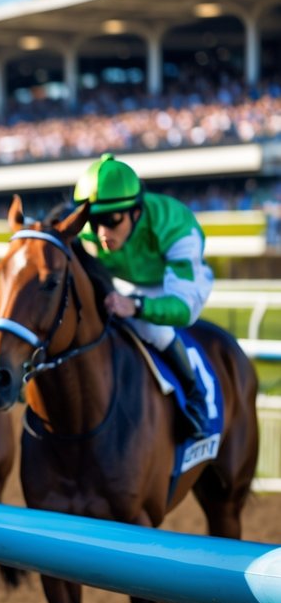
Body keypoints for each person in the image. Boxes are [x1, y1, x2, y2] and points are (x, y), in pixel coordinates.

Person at [73, 152, 214, 437]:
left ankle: (195, 396)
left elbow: (184, 309)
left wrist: (136, 306)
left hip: (174, 283)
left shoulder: (175, 225)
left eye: (111, 220)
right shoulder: (88, 231)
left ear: (136, 211)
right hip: (126, 282)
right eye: (94, 220)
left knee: (152, 328)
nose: (101, 232)